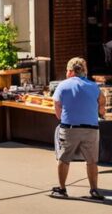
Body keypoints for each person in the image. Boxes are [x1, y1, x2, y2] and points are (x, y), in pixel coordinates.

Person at [51, 57, 106, 200]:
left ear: (70, 71)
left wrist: (61, 117)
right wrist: (99, 112)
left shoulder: (63, 85)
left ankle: (62, 189)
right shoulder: (94, 86)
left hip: (70, 127)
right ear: (84, 71)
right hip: (91, 128)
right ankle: (94, 190)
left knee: (64, 158)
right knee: (92, 161)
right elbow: (102, 102)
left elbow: (57, 104)